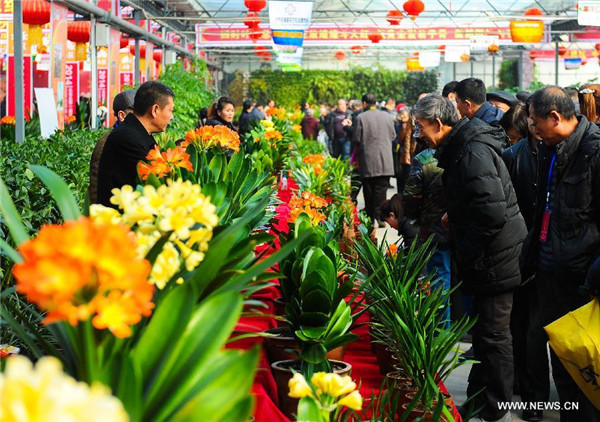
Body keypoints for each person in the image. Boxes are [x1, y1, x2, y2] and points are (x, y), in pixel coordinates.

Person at [413, 94, 526, 422]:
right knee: (484, 334)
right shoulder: (461, 146)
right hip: (488, 253)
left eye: (421, 127)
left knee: (494, 336)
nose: (418, 134)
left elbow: (491, 214)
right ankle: (479, 398)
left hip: (495, 255)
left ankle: (495, 407)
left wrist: (471, 250)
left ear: (437, 123)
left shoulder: (470, 151)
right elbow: (477, 201)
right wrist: (456, 213)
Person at [522, 86, 600, 422]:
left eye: (536, 122)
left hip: (582, 276)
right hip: (549, 269)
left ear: (555, 117)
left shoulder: (593, 149)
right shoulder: (548, 149)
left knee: (586, 363)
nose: (532, 128)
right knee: (561, 355)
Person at [502, 106, 551, 422]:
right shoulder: (513, 156)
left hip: (550, 252)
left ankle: (537, 397)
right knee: (521, 326)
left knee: (535, 329)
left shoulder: (560, 153)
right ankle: (526, 388)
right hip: (521, 251)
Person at [96, 81, 174, 208]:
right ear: (155, 110)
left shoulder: (137, 132)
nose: (172, 117)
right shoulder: (127, 138)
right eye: (170, 110)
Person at [402, 144, 451, 326]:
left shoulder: (424, 159)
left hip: (434, 228)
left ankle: (440, 329)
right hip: (461, 227)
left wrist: (414, 217)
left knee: (440, 276)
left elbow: (411, 197)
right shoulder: (464, 148)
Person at [352, 93, 396, 224]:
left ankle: (371, 218)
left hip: (368, 160)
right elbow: (393, 136)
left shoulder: (360, 118)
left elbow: (356, 139)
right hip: (385, 161)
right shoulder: (388, 117)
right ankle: (381, 218)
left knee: (369, 191)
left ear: (364, 103)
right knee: (382, 191)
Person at [88, 89, 137, 204]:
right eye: (138, 112)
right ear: (122, 116)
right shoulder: (107, 141)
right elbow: (96, 184)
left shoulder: (134, 137)